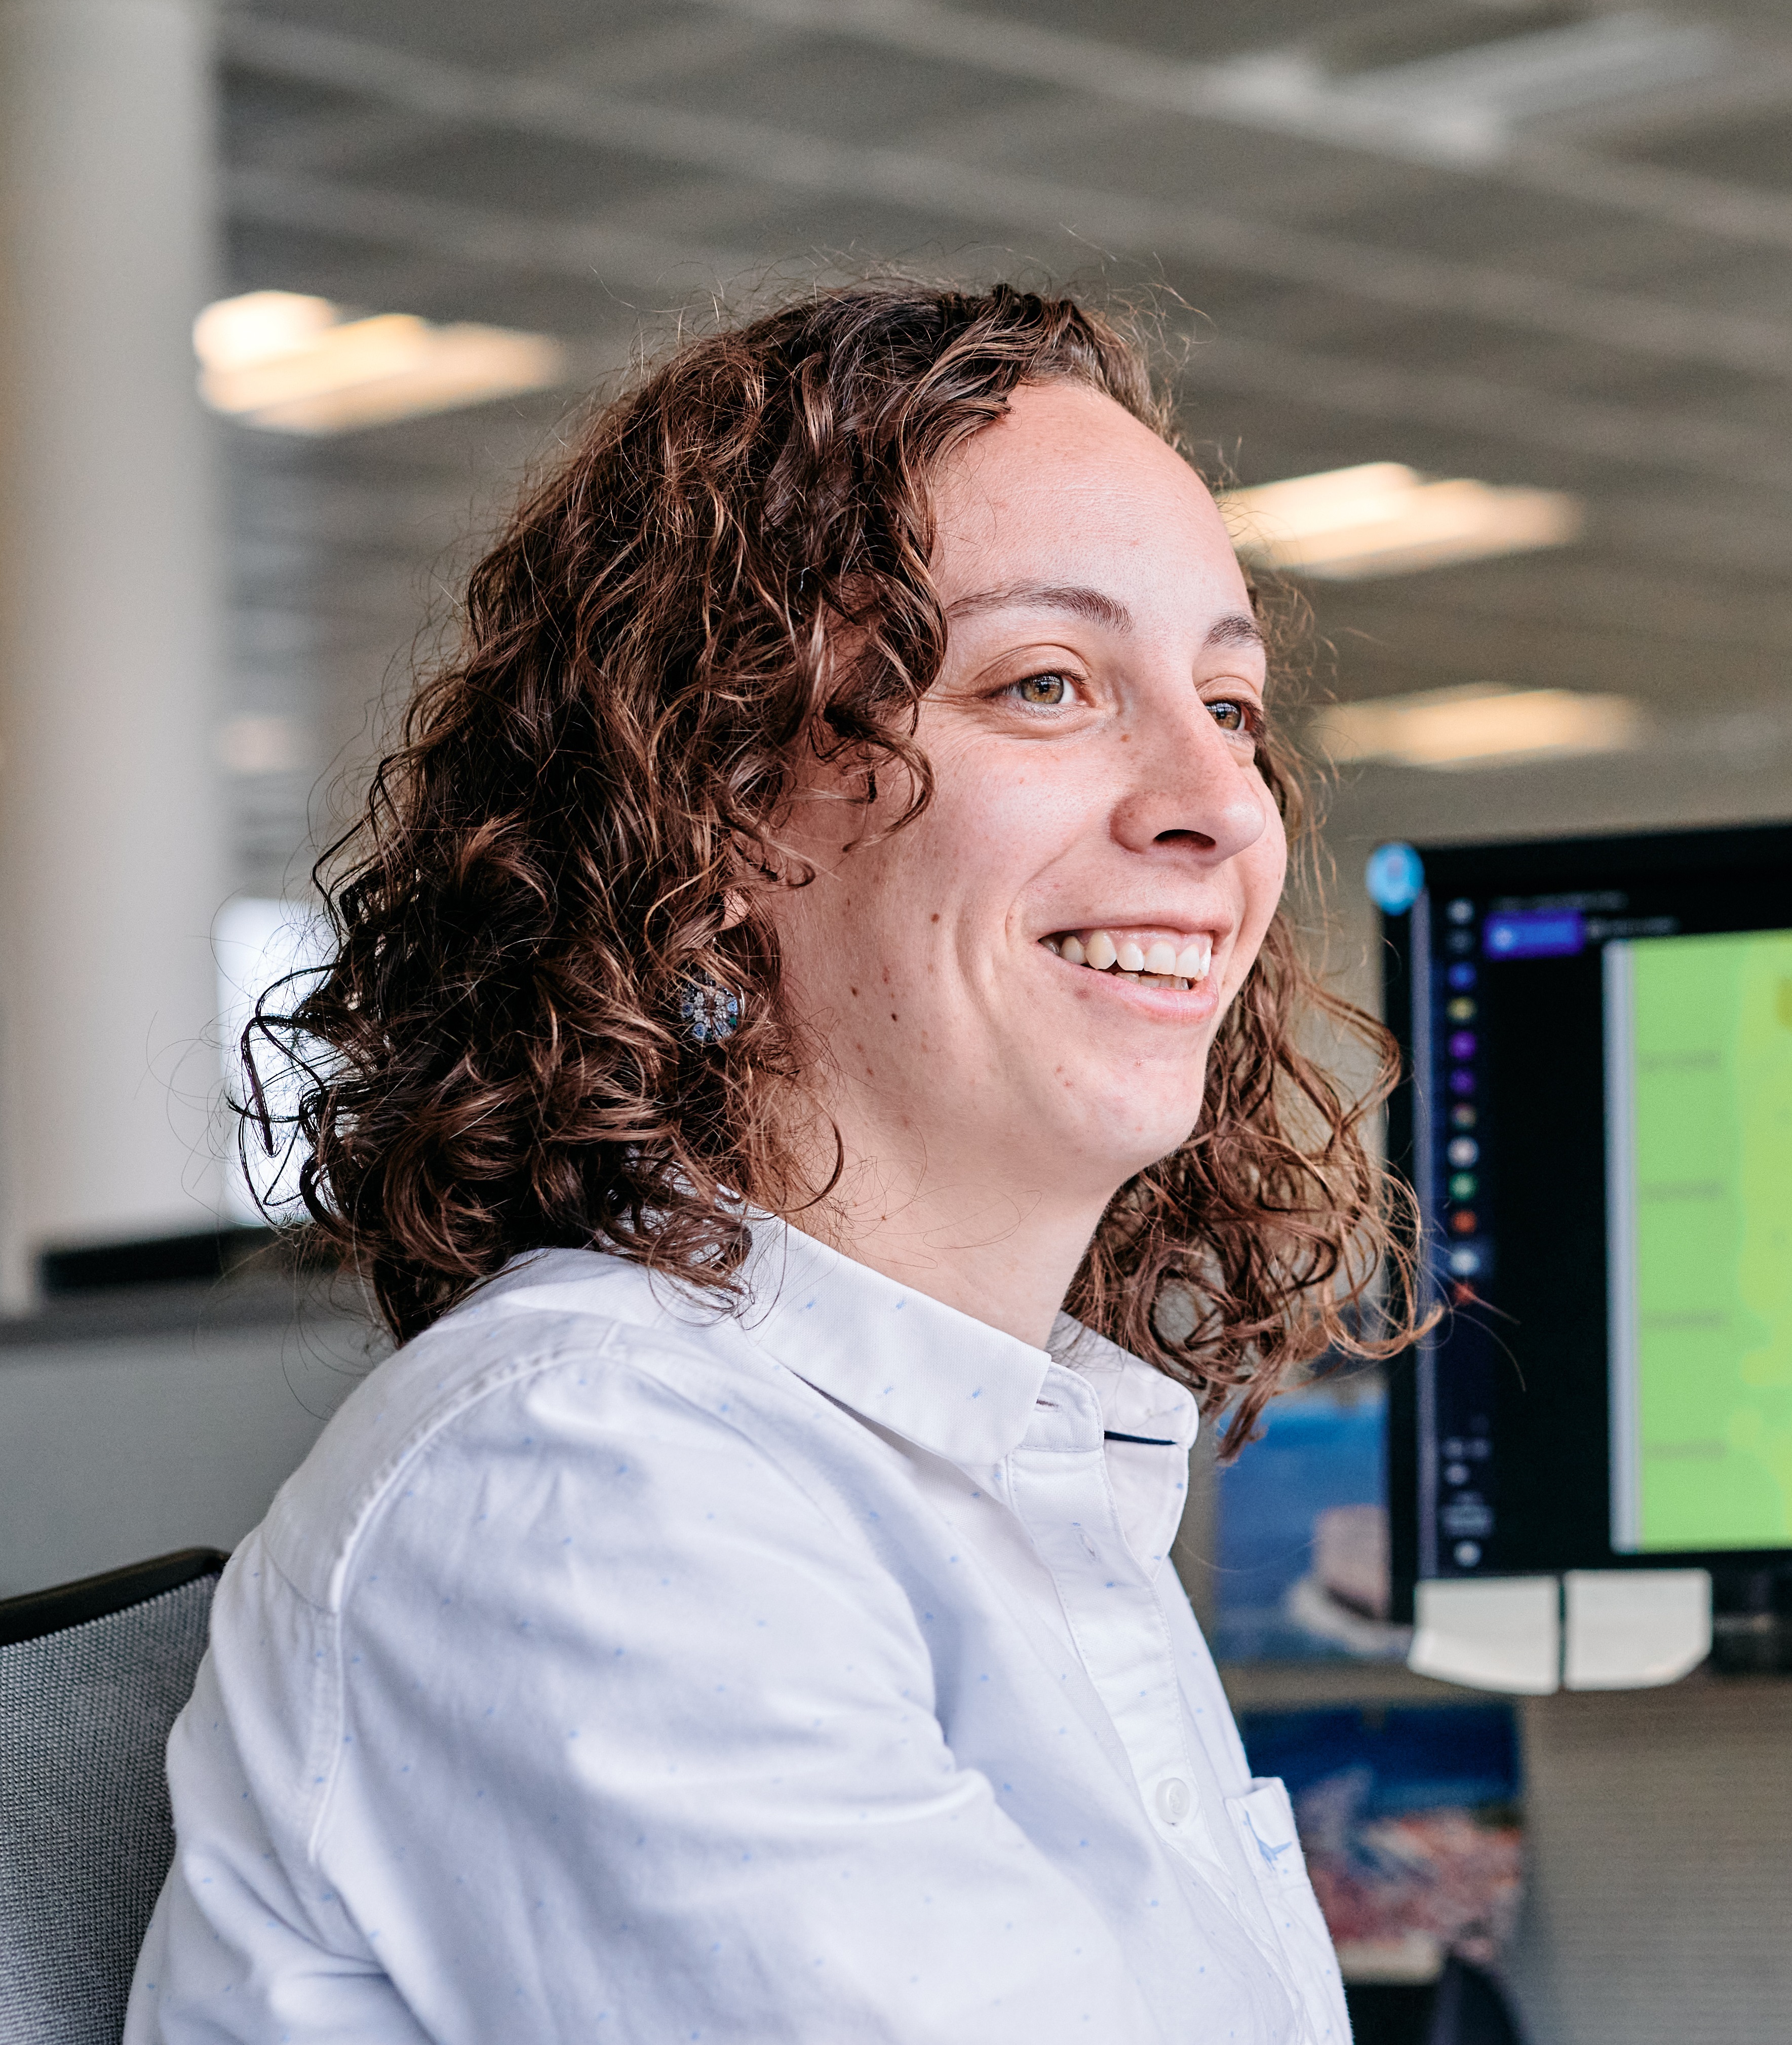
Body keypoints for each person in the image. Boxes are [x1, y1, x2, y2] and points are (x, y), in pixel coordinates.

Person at [129, 282, 1416, 2044]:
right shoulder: (590, 1482)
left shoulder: (1008, 1472)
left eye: (1232, 702)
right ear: (719, 805)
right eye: (1049, 684)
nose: (1214, 799)